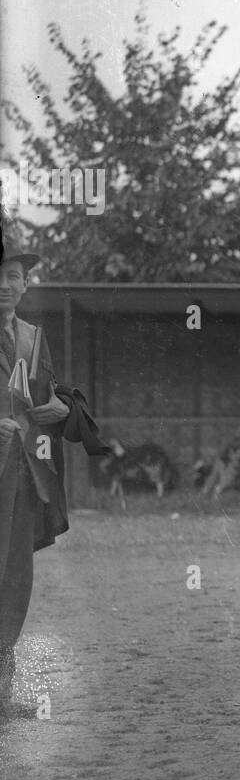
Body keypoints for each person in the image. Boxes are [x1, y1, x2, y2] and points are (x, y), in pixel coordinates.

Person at [0, 237, 90, 712]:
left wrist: (60, 409)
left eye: (13, 275)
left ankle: (2, 688)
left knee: (15, 580)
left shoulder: (34, 337)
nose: (4, 285)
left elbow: (51, 394)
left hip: (23, 476)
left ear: (26, 283)